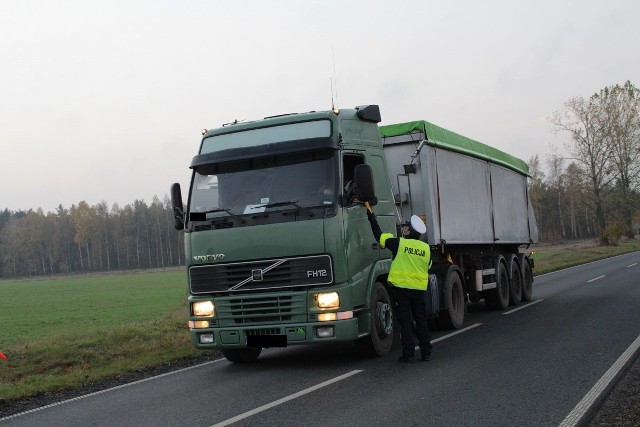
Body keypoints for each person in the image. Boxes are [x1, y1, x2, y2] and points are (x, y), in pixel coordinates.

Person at [366, 209, 433, 363]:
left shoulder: (399, 244)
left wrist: (371, 216)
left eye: (406, 227)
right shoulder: (426, 248)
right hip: (419, 290)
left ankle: (409, 354)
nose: (404, 229)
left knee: (405, 321)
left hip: (401, 290)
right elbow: (428, 267)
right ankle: (426, 352)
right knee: (421, 320)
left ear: (409, 231)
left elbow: (379, 236)